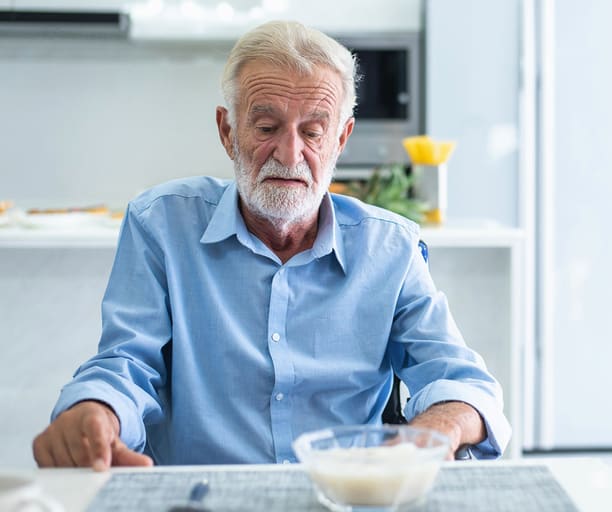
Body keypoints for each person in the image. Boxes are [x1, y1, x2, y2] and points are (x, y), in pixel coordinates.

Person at [32, 20, 511, 470]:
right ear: (227, 132)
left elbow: (464, 382)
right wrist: (96, 409)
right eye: (266, 128)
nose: (289, 154)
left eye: (312, 132)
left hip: (344, 495)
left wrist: (430, 435)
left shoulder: (391, 248)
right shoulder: (160, 224)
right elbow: (127, 363)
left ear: (340, 139)